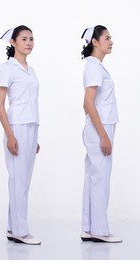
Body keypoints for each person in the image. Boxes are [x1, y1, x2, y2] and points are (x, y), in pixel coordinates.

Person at [0, 25, 41, 245]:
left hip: (31, 126)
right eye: (24, 39)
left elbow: (32, 102)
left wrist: (35, 137)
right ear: (12, 42)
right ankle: (21, 232)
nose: (29, 43)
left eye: (31, 39)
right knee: (18, 180)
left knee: (24, 181)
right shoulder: (7, 68)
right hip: (17, 126)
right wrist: (10, 135)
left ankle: (13, 227)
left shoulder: (30, 70)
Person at [80, 25, 121, 243]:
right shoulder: (94, 67)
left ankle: (88, 227)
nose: (111, 41)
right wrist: (103, 135)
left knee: (93, 176)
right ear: (95, 42)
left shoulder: (95, 67)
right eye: (107, 37)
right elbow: (88, 103)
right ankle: (99, 230)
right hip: (101, 127)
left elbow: (86, 104)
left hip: (97, 126)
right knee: (100, 178)